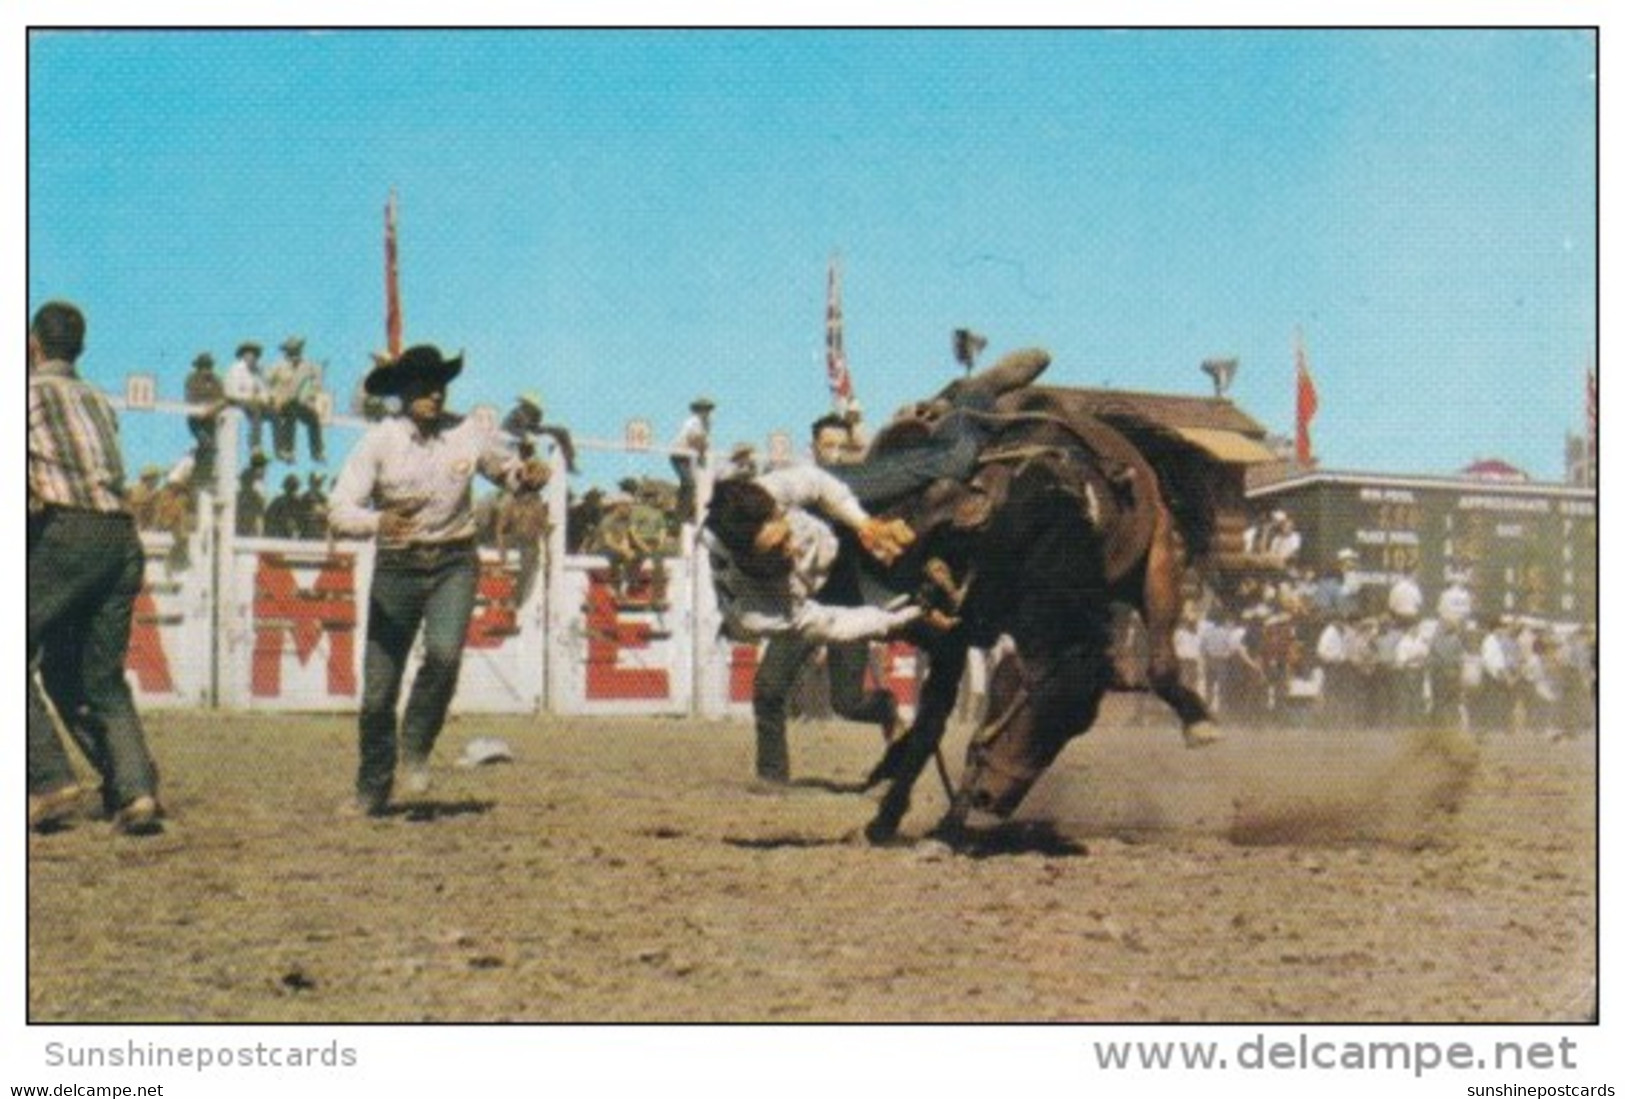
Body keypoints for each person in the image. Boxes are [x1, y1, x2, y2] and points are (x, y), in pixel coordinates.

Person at [329, 344, 548, 816]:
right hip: (397, 567)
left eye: (439, 384)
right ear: (403, 392)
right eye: (421, 384)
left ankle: (416, 747)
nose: (432, 393)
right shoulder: (379, 441)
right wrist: (377, 522)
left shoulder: (468, 432)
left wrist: (527, 477)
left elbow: (507, 471)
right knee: (378, 692)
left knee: (445, 654)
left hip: (454, 559)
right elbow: (340, 509)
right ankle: (372, 787)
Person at [27, 300, 163, 835]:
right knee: (90, 674)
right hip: (120, 537)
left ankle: (48, 781)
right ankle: (136, 792)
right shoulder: (97, 399)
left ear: (35, 346)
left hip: (70, 534)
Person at [740, 415, 907, 784]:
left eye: (841, 446)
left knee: (847, 703)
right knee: (768, 689)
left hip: (845, 608)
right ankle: (772, 777)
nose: (834, 453)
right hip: (800, 607)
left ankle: (886, 708)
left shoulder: (867, 492)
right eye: (827, 446)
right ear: (814, 448)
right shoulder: (795, 490)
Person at [267, 335, 325, 464]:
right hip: (279, 402)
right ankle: (288, 449)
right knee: (291, 414)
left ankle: (317, 451)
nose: (294, 353)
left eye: (296, 350)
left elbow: (318, 374)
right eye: (291, 351)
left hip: (295, 402)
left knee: (313, 416)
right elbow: (265, 382)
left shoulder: (306, 365)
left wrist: (312, 393)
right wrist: (272, 398)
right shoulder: (278, 366)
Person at [183, 351, 227, 484]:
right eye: (203, 367)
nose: (206, 370)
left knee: (211, 447)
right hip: (196, 419)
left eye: (208, 366)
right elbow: (191, 398)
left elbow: (224, 398)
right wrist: (203, 407)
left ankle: (203, 474)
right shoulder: (192, 378)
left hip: (211, 420)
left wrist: (214, 407)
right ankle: (200, 474)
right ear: (198, 367)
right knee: (207, 443)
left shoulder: (217, 380)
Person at [671, 396, 713, 523]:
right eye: (702, 409)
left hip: (691, 456)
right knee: (689, 483)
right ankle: (680, 514)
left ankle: (689, 511)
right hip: (679, 454)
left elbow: (702, 441)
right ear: (697, 410)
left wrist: (702, 450)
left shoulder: (707, 423)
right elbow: (695, 438)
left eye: (707, 409)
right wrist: (702, 450)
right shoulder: (693, 421)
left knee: (697, 484)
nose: (705, 412)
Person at [224, 340, 271, 453]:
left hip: (253, 401)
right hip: (236, 400)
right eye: (249, 355)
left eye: (254, 355)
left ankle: (281, 447)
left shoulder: (258, 371)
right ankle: (255, 444)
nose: (252, 357)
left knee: (274, 413)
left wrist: (263, 399)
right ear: (243, 356)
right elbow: (232, 392)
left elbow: (264, 389)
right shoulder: (236, 369)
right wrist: (251, 397)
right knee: (255, 412)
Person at [263, 473, 309, 539]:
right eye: (290, 486)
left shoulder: (300, 503)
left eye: (293, 486)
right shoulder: (277, 501)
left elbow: (304, 523)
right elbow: (268, 518)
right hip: (278, 536)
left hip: (293, 537)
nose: (291, 488)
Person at [236, 450, 270, 536]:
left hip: (247, 526)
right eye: (263, 465)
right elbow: (260, 513)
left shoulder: (257, 482)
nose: (265, 469)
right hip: (246, 526)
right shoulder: (255, 482)